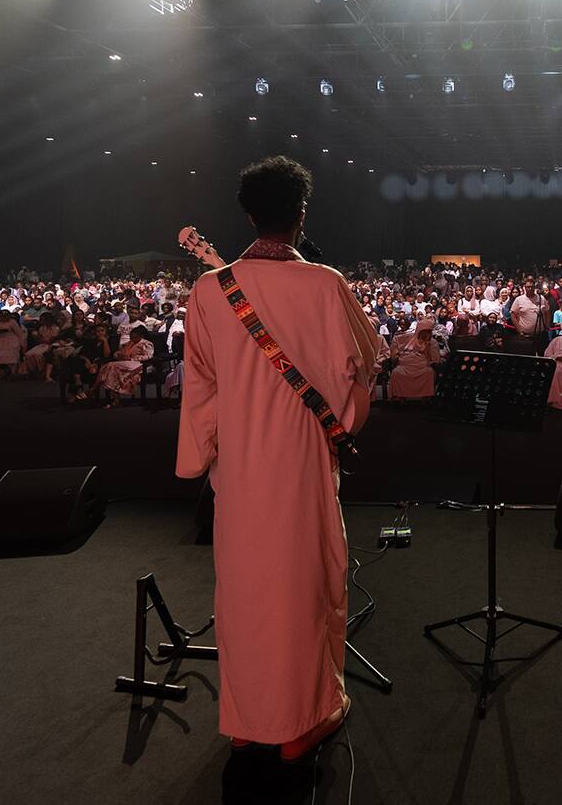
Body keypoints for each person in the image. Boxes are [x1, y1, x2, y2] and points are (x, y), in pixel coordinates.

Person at [176, 155, 380, 762]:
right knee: (303, 585)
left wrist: (198, 458)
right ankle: (301, 722)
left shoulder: (209, 290)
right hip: (301, 464)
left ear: (248, 215)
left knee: (245, 589)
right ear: (301, 214)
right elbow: (358, 377)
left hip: (239, 469)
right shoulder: (326, 284)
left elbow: (200, 388)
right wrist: (341, 424)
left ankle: (247, 720)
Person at [96, 324, 156, 406]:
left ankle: (94, 388)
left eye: (134, 337)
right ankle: (115, 397)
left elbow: (148, 356)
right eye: (131, 337)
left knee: (109, 365)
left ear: (140, 336)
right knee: (113, 371)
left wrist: (132, 359)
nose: (132, 339)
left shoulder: (147, 344)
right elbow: (119, 352)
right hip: (126, 365)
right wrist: (117, 355)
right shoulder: (129, 343)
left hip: (139, 365)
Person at [387, 318, 441, 400]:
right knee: (396, 372)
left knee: (429, 372)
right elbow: (395, 354)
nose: (425, 334)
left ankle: (425, 399)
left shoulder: (432, 342)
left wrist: (427, 348)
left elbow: (435, 359)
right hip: (405, 367)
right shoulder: (404, 338)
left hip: (422, 368)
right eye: (423, 331)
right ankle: (399, 398)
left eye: (428, 332)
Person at [0, 309, 26, 382]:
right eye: (2, 316)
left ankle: (13, 373)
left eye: (6, 316)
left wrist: (22, 344)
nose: (4, 318)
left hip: (12, 340)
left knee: (11, 355)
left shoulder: (12, 322)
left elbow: (19, 334)